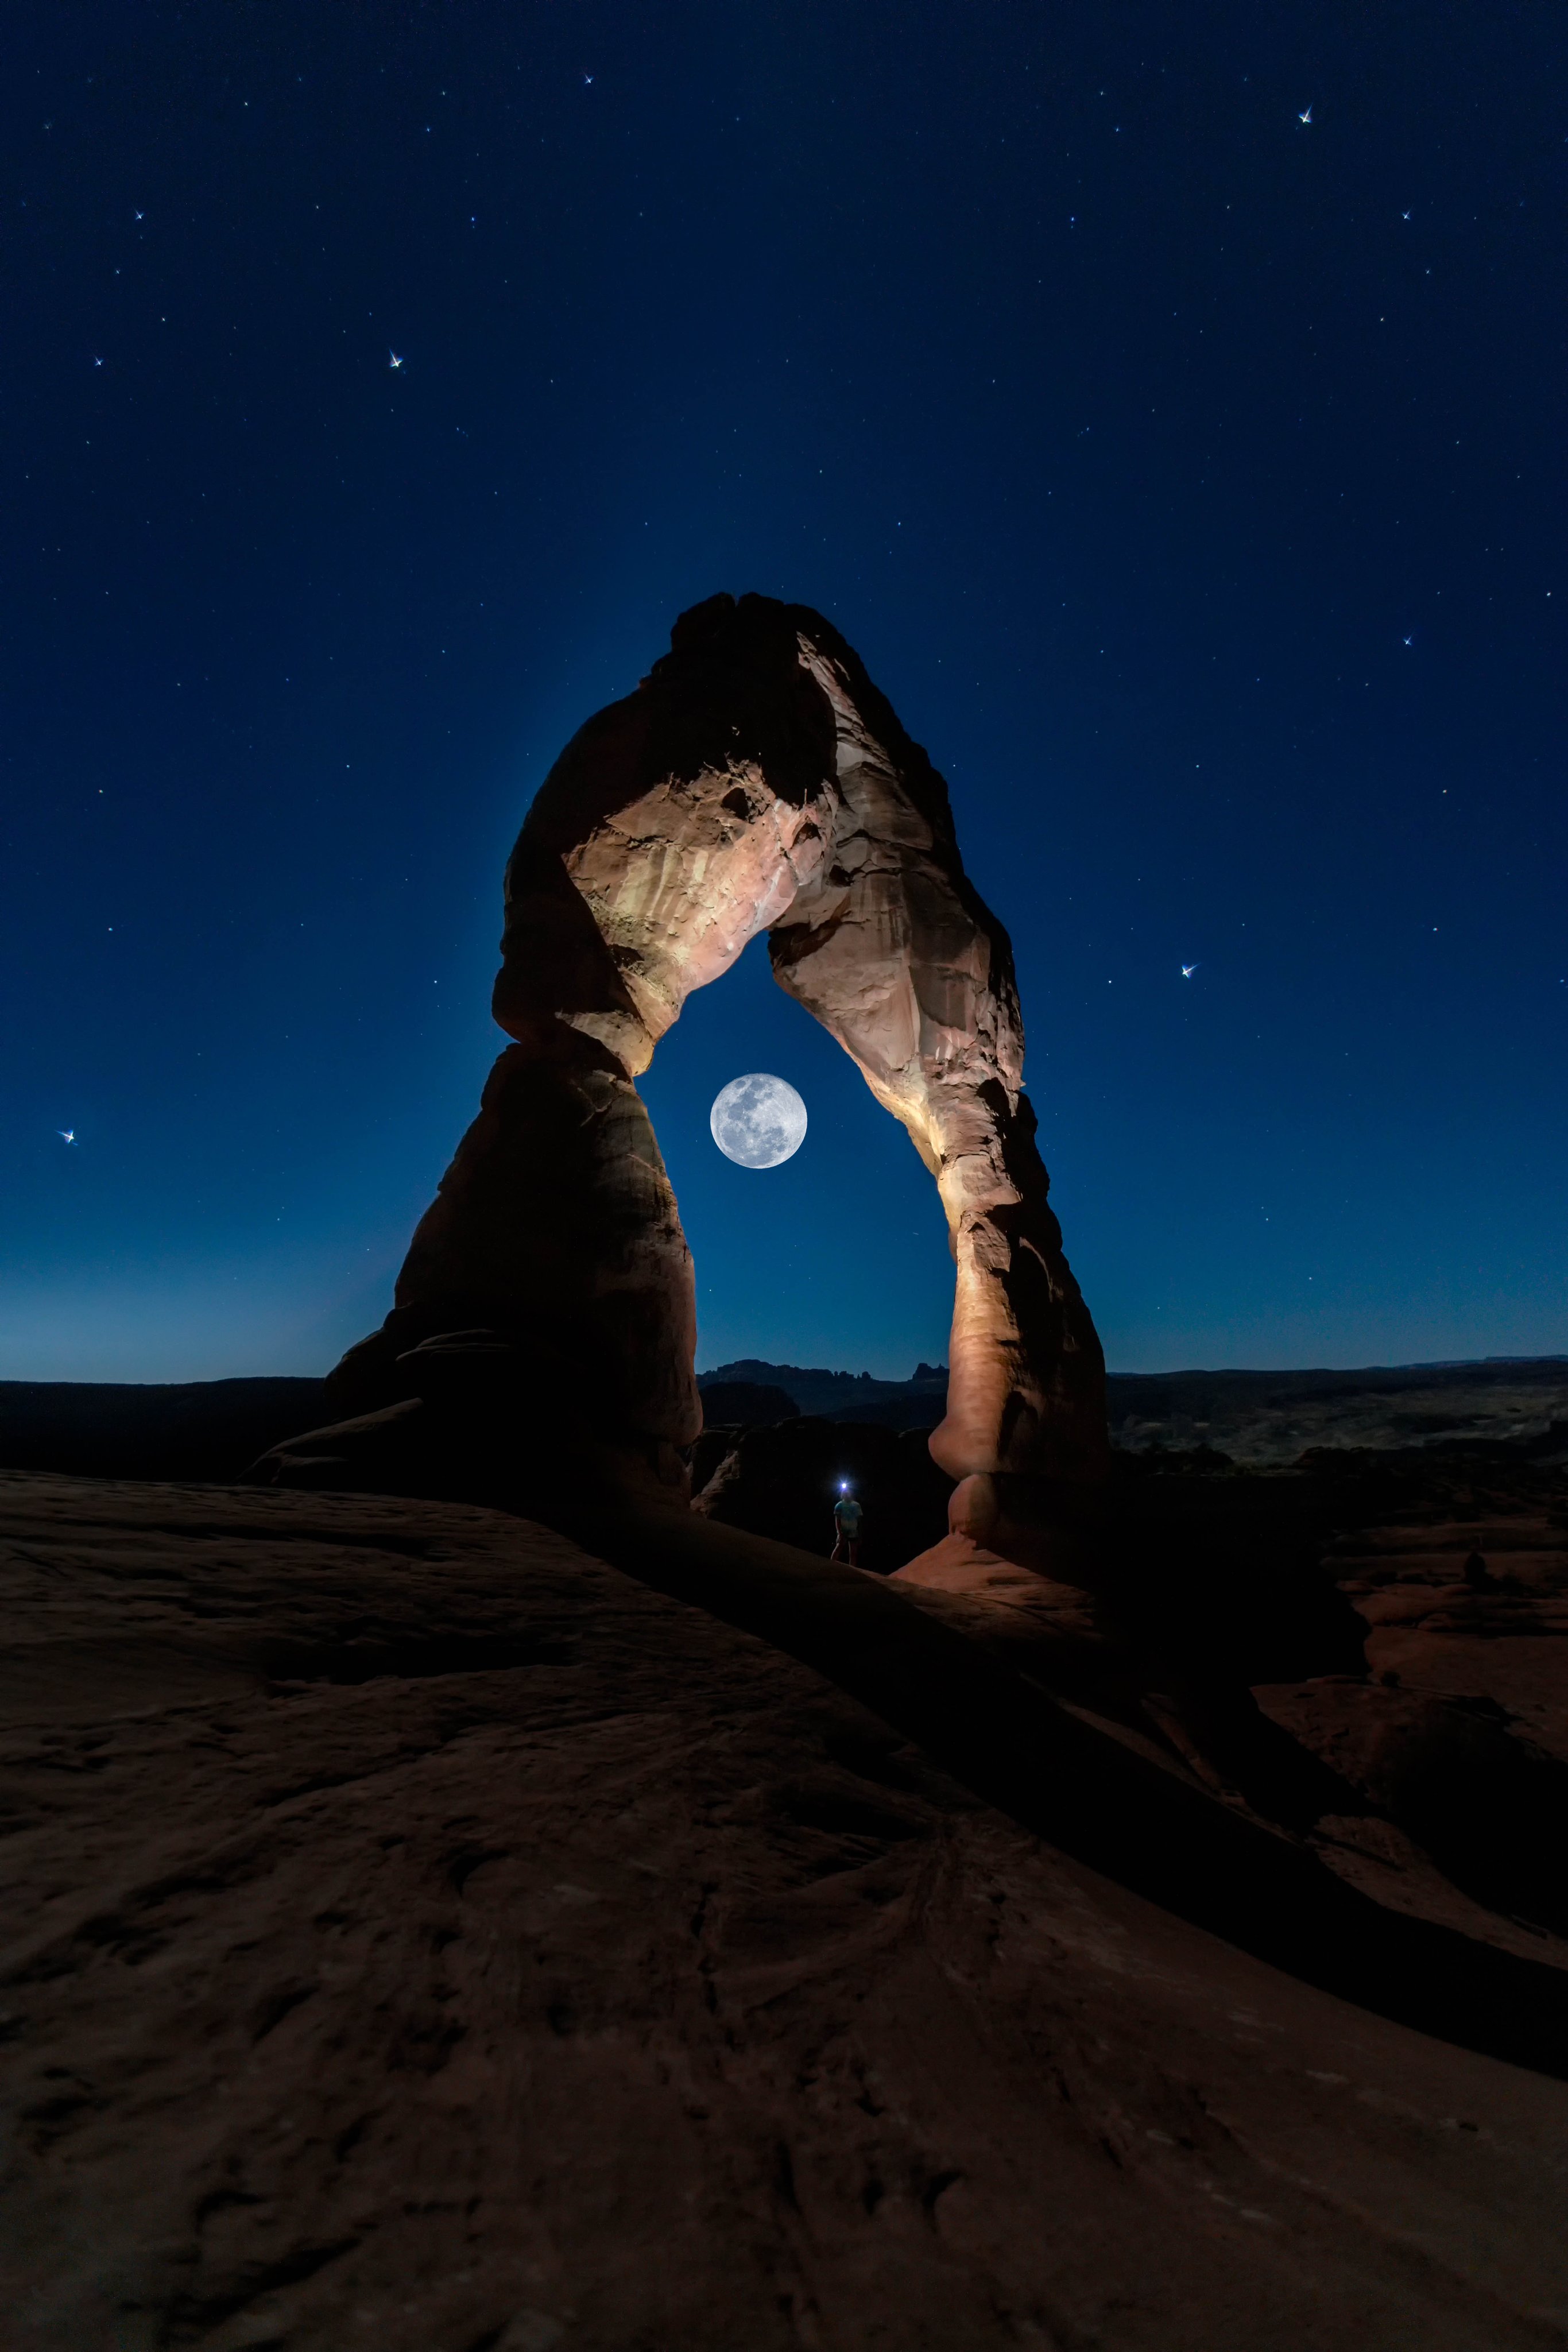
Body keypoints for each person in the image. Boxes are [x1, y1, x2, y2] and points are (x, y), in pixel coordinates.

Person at [831, 1480, 863, 1566]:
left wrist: (860, 1534)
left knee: (853, 1553)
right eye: (845, 1493)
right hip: (843, 1531)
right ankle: (831, 1565)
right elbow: (837, 1520)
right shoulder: (839, 1505)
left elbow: (859, 1521)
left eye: (848, 1493)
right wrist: (839, 1532)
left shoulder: (856, 1506)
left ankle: (852, 1570)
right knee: (839, 1548)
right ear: (842, 1494)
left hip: (853, 1531)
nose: (847, 1494)